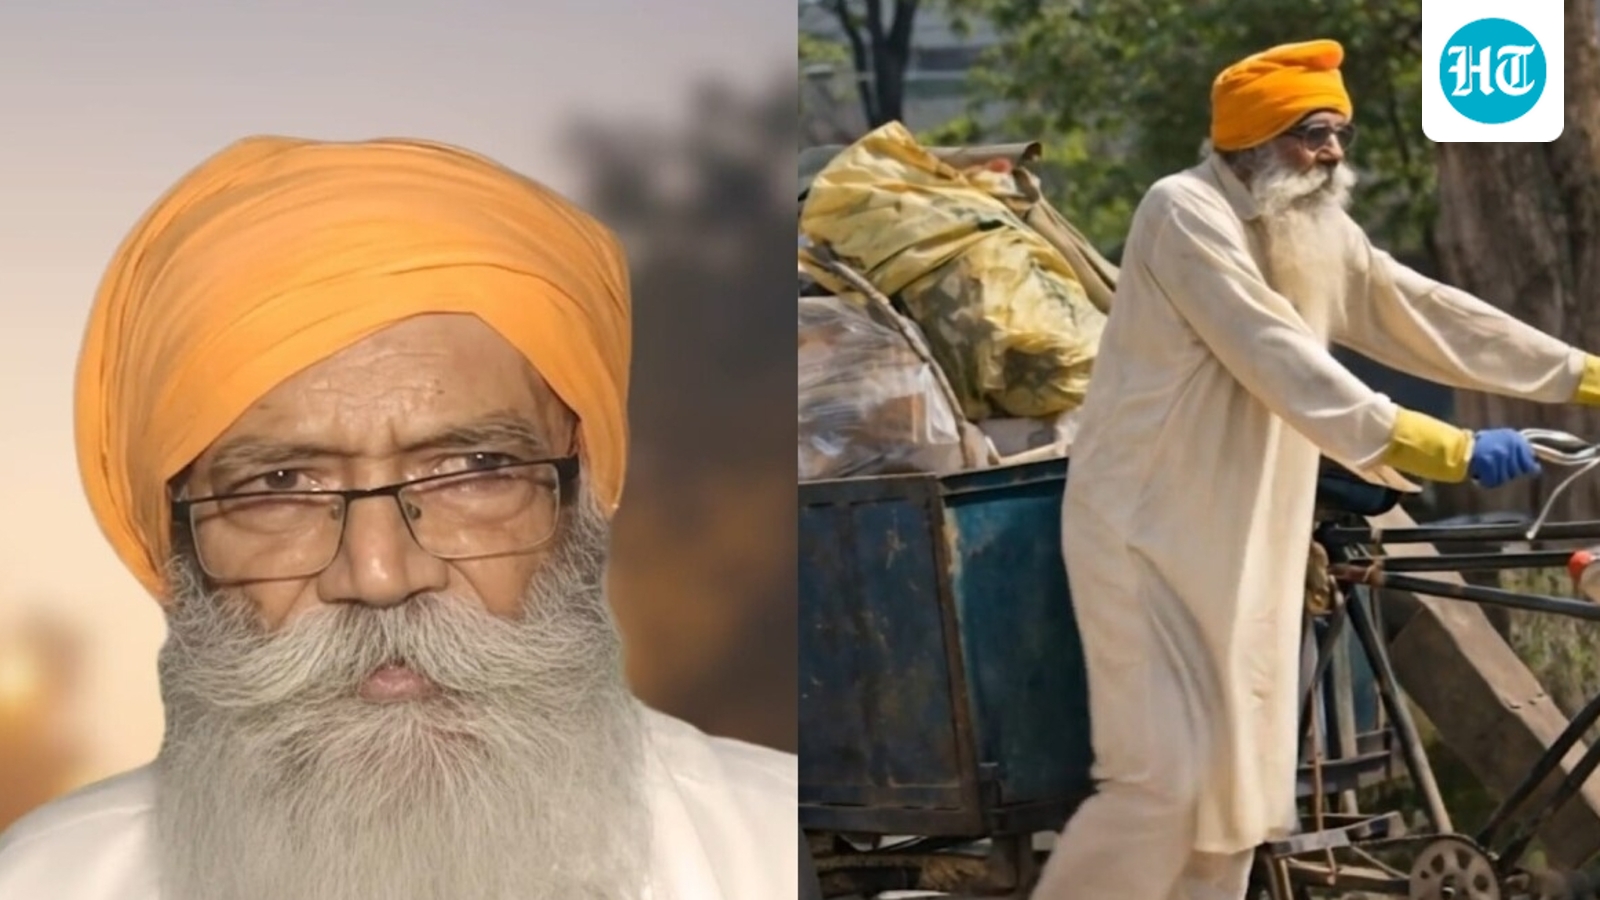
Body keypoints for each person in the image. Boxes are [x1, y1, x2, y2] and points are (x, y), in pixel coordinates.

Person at [0, 136, 797, 900]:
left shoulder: (770, 849)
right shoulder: (43, 883)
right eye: (279, 485)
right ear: (171, 543)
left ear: (583, 498)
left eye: (473, 471)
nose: (380, 574)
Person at [1031, 39, 1600, 900]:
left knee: (1239, 805)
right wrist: (1446, 447)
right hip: (1146, 541)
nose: (1332, 152)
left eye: (1338, 132)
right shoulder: (1182, 212)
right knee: (1163, 790)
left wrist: (1579, 375)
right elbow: (1278, 356)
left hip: (1247, 544)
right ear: (1251, 141)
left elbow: (1424, 311)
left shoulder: (1310, 229)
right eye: (1310, 133)